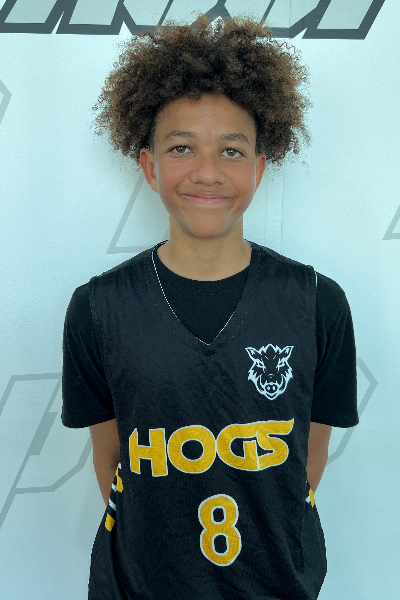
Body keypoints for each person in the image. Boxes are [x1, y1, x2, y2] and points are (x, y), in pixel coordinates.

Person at [61, 13, 359, 600]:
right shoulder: (97, 308)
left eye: (231, 150)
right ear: (149, 166)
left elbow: (304, 463)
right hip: (138, 586)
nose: (207, 172)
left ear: (259, 168)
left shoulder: (319, 303)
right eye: (181, 148)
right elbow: (113, 463)